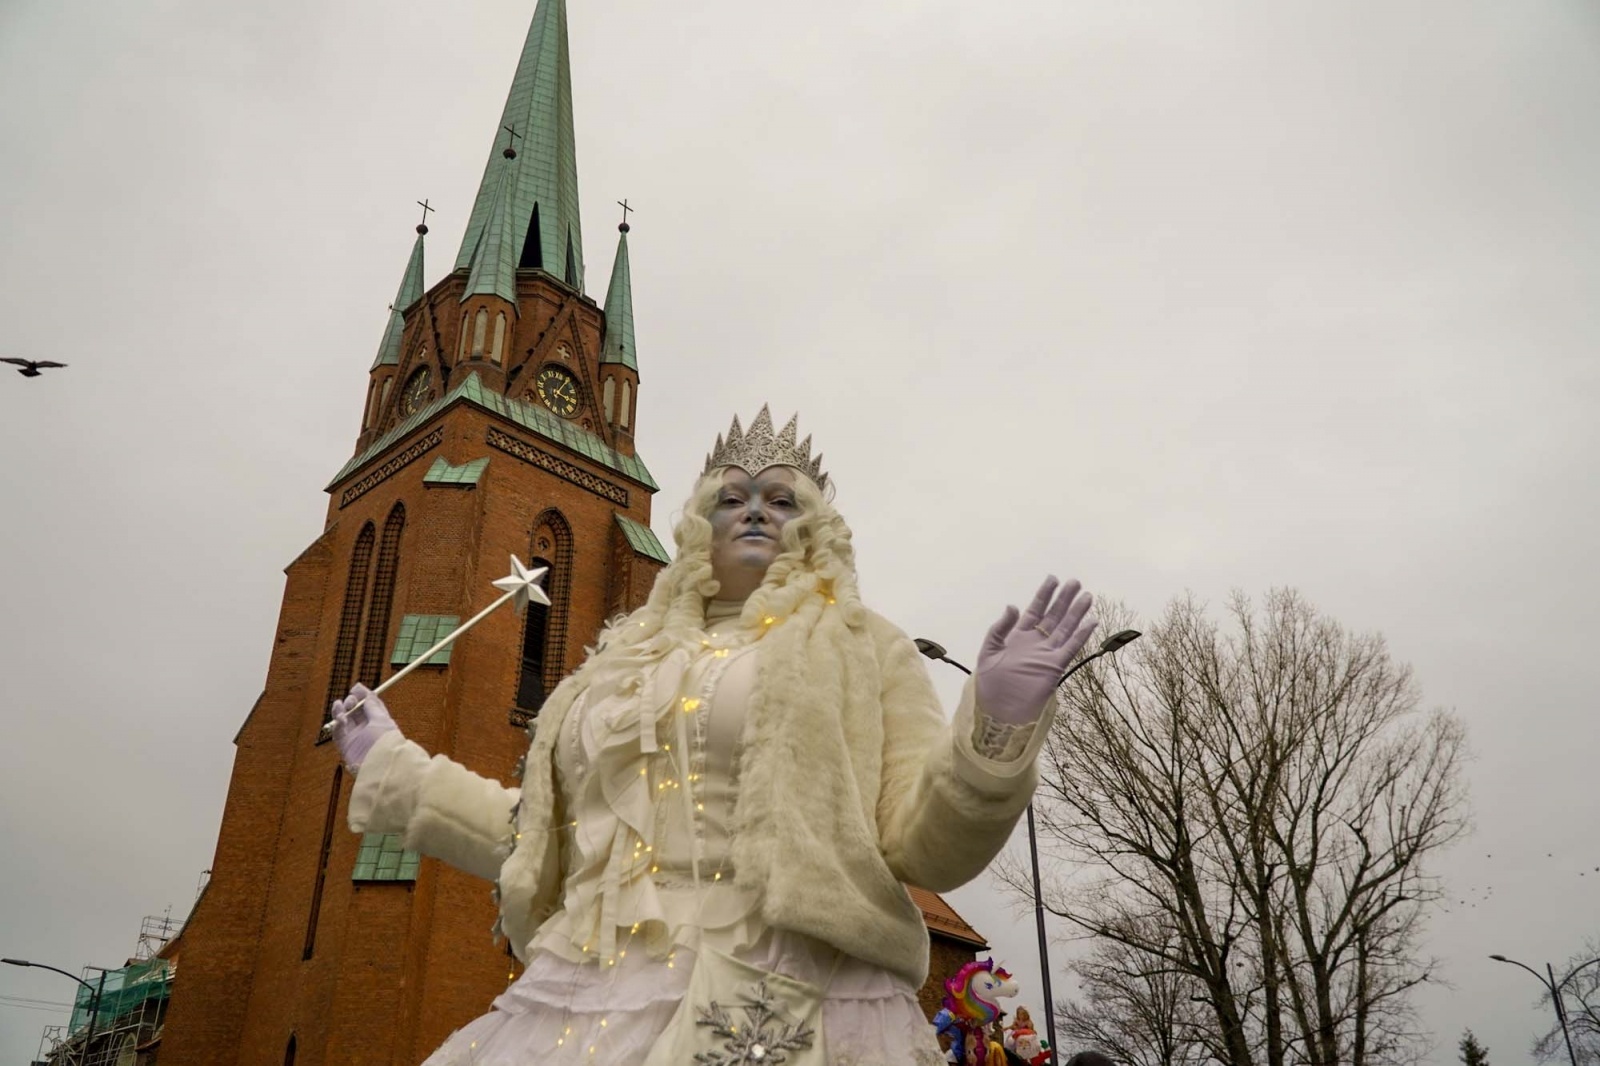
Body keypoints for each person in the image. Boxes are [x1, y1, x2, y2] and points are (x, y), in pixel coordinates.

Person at [329, 408, 1098, 1066]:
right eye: (733, 498)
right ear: (702, 524)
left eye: (782, 500)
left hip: (793, 995)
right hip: (584, 995)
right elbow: (540, 842)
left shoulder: (864, 646)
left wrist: (994, 728)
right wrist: (395, 768)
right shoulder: (617, 665)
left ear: (817, 529)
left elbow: (925, 847)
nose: (756, 510)